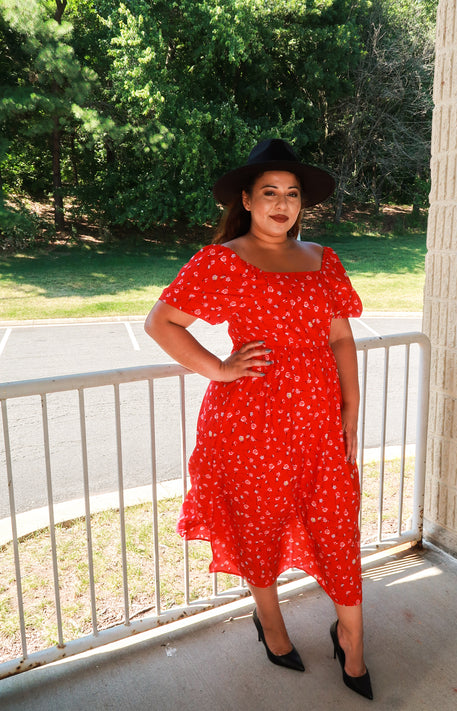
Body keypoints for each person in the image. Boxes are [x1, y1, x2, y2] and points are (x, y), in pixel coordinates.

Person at [144, 138, 373, 700]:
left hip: (320, 426)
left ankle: (352, 638)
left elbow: (341, 337)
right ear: (246, 199)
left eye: (292, 195)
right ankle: (270, 624)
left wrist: (350, 407)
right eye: (269, 192)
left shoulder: (324, 260)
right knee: (259, 525)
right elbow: (161, 323)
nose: (282, 204)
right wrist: (219, 369)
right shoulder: (222, 261)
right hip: (249, 425)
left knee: (337, 525)